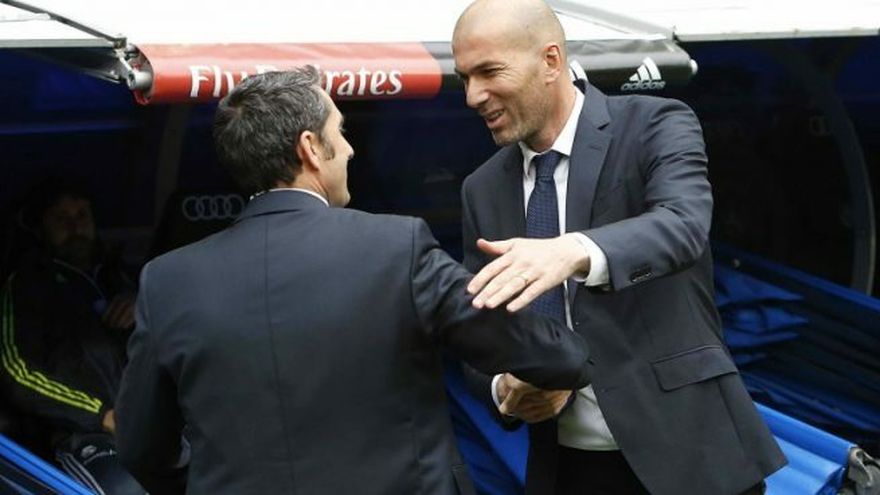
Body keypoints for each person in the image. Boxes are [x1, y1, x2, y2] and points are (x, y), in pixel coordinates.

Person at [114, 67, 593, 495]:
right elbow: (531, 348)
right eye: (339, 131)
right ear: (310, 148)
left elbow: (141, 448)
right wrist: (569, 345)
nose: (349, 148)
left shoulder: (167, 282)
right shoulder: (395, 248)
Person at [451, 1, 787, 494]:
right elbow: (476, 332)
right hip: (569, 469)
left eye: (489, 71)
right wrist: (506, 388)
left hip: (692, 455)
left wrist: (572, 251)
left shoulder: (655, 123)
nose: (473, 96)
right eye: (464, 78)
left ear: (550, 61)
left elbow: (683, 226)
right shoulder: (481, 189)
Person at [0, 180, 145, 494]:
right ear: (40, 228)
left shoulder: (121, 278)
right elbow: (16, 371)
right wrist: (100, 414)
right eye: (61, 218)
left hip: (150, 421)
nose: (75, 226)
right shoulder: (26, 284)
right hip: (81, 435)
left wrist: (144, 306)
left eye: (82, 215)